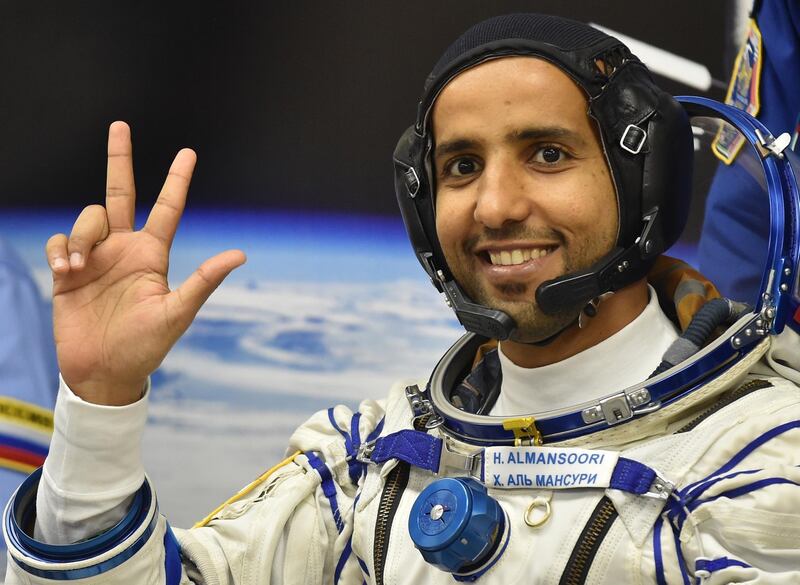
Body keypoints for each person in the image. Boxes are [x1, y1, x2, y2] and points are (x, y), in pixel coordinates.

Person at [4, 14, 800, 585]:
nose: (494, 206)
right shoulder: (366, 463)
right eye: (460, 168)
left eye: (547, 154)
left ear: (642, 183)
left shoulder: (758, 470)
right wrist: (102, 402)